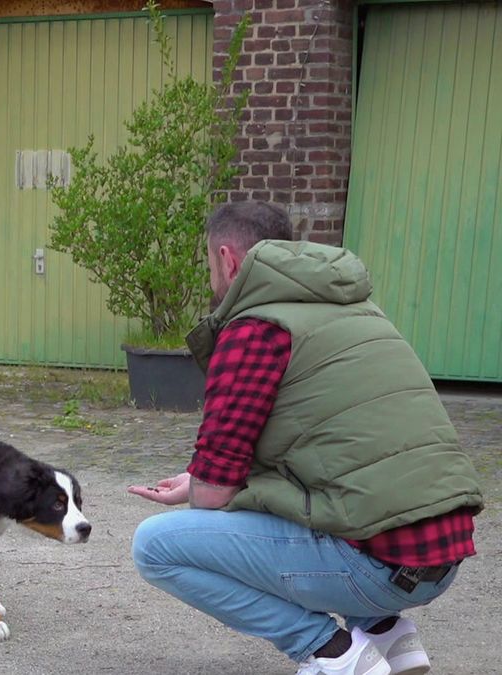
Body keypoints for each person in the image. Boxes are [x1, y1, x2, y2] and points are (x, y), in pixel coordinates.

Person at [128, 201, 483, 675]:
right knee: (340, 498)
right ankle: (386, 635)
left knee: (155, 546)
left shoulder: (255, 330)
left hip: (380, 567)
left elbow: (214, 497)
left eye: (209, 265)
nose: (211, 279)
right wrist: (198, 478)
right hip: (443, 555)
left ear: (229, 261)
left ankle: (331, 652)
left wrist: (203, 484)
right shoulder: (358, 312)